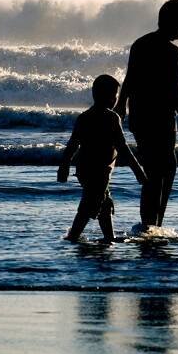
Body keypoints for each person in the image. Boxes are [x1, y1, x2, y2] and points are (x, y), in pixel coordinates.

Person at [116, 0, 178, 229]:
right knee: (159, 172)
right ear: (170, 20)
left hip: (143, 118)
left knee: (162, 170)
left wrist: (121, 106)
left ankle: (153, 224)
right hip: (156, 119)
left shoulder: (140, 44)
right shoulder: (171, 53)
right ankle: (151, 225)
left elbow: (129, 80)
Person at [58, 74, 147, 243]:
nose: (116, 100)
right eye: (114, 96)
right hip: (98, 170)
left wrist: (64, 166)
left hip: (84, 169)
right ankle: (73, 236)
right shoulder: (112, 118)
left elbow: (72, 146)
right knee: (90, 203)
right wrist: (138, 171)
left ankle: (108, 237)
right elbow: (123, 147)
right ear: (104, 96)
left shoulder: (84, 117)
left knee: (103, 203)